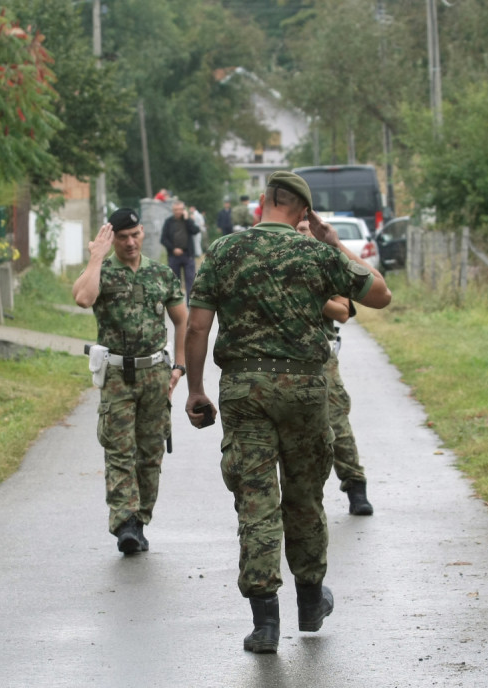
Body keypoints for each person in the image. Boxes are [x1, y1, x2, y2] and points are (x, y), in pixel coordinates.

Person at [184, 171, 391, 654]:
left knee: (255, 499)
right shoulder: (316, 253)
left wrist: (195, 390)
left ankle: (265, 624)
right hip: (304, 390)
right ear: (303, 211)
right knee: (304, 495)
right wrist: (332, 243)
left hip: (244, 391)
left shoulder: (223, 250)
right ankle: (311, 600)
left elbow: (197, 326)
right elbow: (380, 294)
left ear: (263, 202)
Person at [73, 208, 188, 554]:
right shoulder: (103, 272)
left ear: (142, 234)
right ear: (113, 239)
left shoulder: (160, 274)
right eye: (122, 237)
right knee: (120, 450)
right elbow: (83, 298)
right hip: (118, 376)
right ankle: (124, 521)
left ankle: (140, 521)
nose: (131, 242)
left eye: (135, 234)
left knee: (150, 454)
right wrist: (96, 257)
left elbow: (181, 320)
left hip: (155, 374)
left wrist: (179, 367)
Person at [298, 221, 374, 516]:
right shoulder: (276, 261)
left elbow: (343, 312)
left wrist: (310, 293)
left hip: (320, 357)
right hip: (283, 356)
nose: (302, 233)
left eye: (307, 228)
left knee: (336, 423)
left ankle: (355, 484)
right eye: (297, 227)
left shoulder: (327, 262)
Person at [160, 200, 201, 298]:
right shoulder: (168, 222)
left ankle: (190, 305)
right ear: (173, 210)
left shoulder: (187, 221)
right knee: (174, 281)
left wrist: (187, 220)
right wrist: (173, 249)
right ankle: (176, 305)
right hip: (174, 256)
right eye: (176, 210)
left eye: (180, 209)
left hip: (188, 255)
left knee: (190, 280)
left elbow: (196, 230)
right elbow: (163, 239)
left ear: (184, 210)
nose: (178, 211)